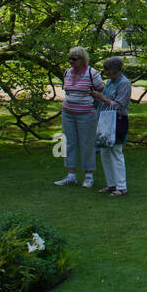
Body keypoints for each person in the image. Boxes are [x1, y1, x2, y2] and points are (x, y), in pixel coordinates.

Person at [56, 47, 105, 188]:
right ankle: (71, 175)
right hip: (68, 112)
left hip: (86, 113)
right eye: (69, 59)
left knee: (87, 144)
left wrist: (92, 97)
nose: (71, 62)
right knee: (69, 143)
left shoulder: (92, 73)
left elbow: (100, 88)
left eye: (74, 59)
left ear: (82, 60)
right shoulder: (67, 72)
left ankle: (88, 176)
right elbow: (67, 91)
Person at [95, 56, 131, 196]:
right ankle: (111, 184)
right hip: (105, 119)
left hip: (118, 119)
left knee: (116, 151)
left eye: (110, 72)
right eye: (107, 72)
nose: (108, 75)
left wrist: (102, 98)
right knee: (105, 152)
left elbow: (120, 105)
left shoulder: (124, 83)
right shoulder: (110, 82)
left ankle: (121, 186)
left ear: (117, 70)